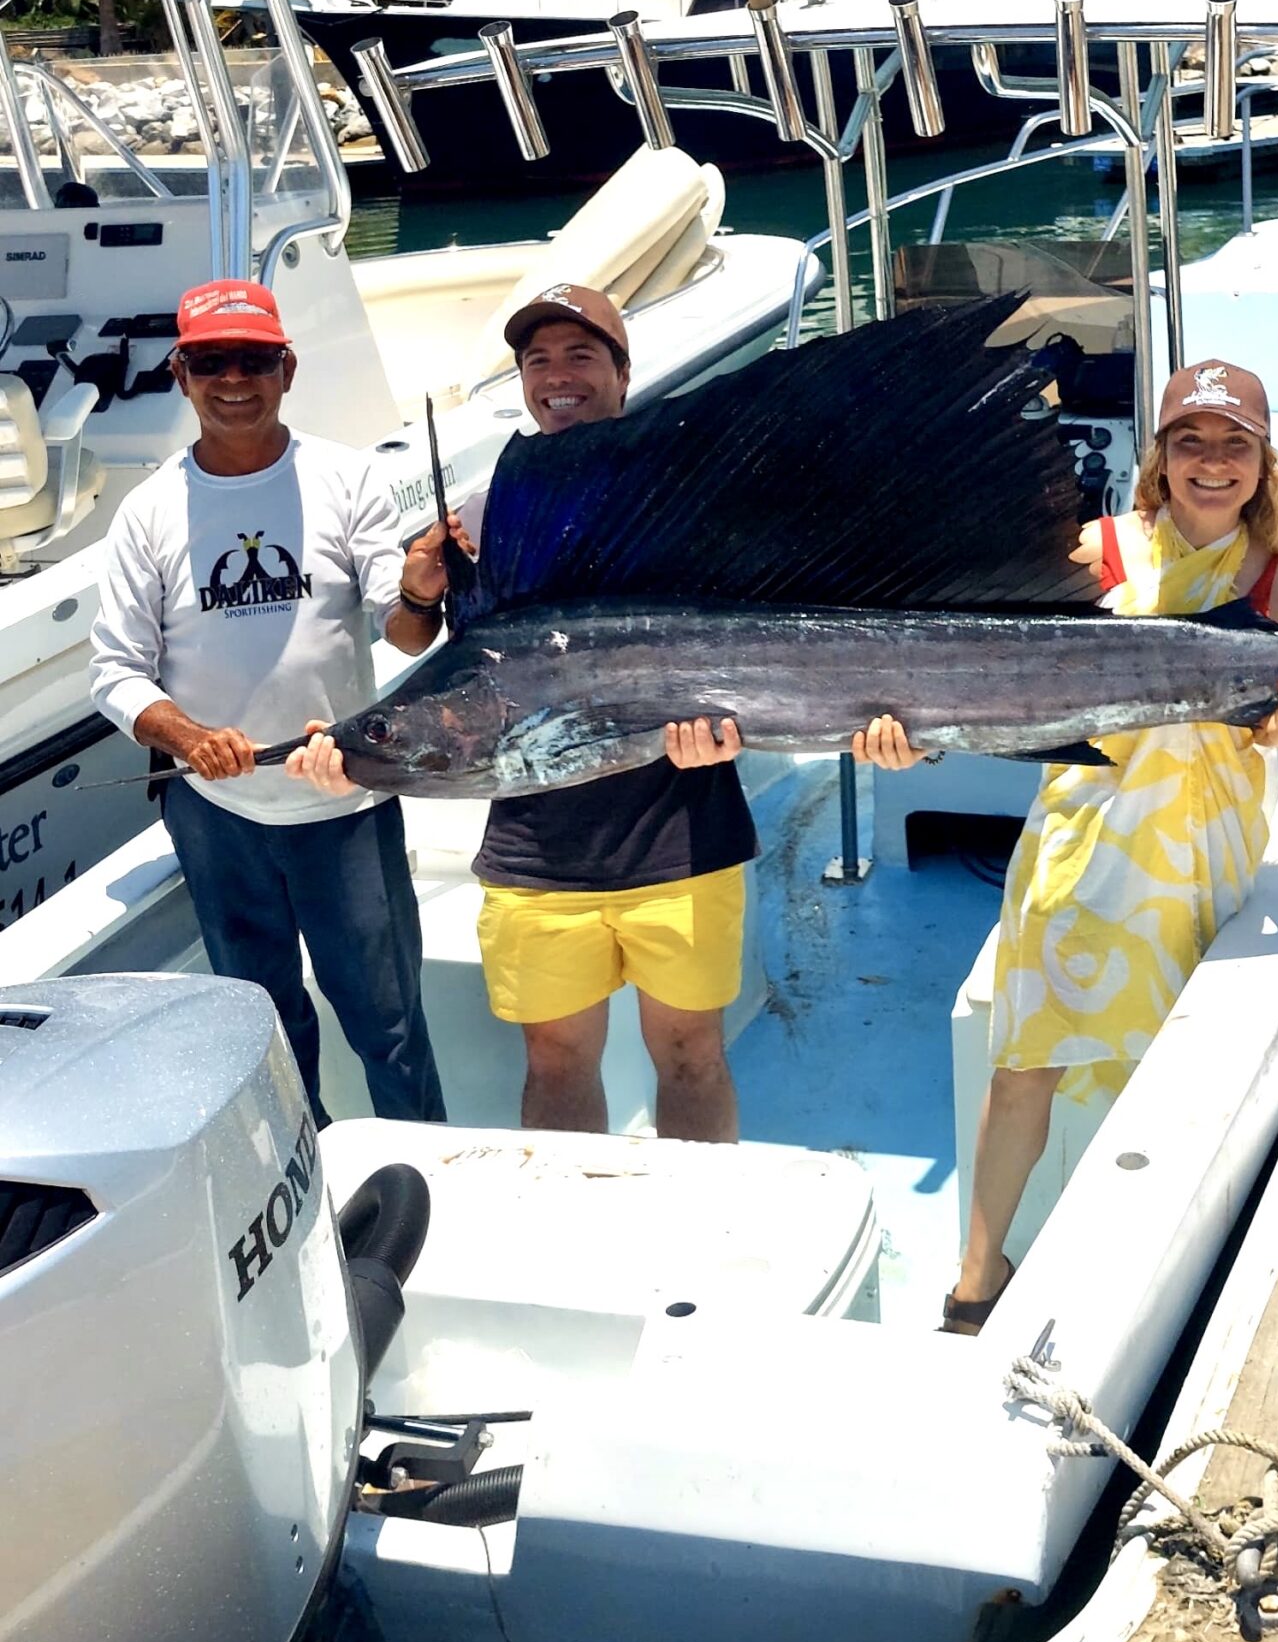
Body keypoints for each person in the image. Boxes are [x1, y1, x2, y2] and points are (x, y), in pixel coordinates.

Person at [296, 280, 918, 1144]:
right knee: (553, 1059)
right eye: (537, 359)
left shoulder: (690, 490)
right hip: (534, 859)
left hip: (682, 841)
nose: (558, 375)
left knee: (692, 1053)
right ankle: (578, 1236)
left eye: (580, 354)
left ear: (622, 373)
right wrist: (415, 588)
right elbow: (414, 645)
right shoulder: (486, 516)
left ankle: (705, 1227)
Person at [941, 357, 1278, 1333]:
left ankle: (1144, 1281)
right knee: (1022, 1072)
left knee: (1174, 1079)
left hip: (1195, 862)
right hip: (1079, 849)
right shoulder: (1093, 554)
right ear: (1159, 456)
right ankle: (976, 1276)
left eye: (1232, 444)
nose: (1211, 463)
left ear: (1261, 460)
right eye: (1190, 442)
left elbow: (1267, 730)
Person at [88, 278, 450, 1128]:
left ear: (286, 369)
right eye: (211, 361)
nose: (233, 379)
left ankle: (431, 1183)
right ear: (182, 374)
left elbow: (398, 632)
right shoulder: (146, 512)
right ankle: (306, 1194)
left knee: (388, 1026)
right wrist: (184, 734)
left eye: (252, 359)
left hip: (340, 798)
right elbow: (115, 670)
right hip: (217, 812)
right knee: (267, 1030)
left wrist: (422, 592)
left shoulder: (346, 477)